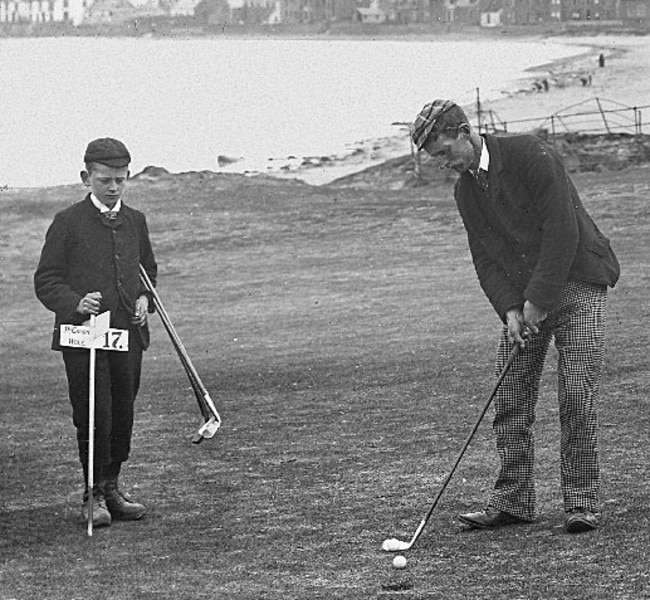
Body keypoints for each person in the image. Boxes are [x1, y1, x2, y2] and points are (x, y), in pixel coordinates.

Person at [411, 100, 620, 534]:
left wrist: (537, 302)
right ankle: (514, 500)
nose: (445, 164)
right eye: (437, 159)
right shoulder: (466, 191)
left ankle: (580, 502)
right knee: (510, 397)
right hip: (526, 297)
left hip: (580, 281)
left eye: (446, 152)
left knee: (576, 393)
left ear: (466, 131)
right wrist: (510, 309)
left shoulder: (531, 155)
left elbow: (562, 231)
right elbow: (485, 258)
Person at [34, 138, 157, 528]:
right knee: (93, 413)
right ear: (86, 177)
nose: (113, 187)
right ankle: (92, 493)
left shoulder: (135, 220)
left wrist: (143, 300)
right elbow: (46, 280)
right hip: (83, 337)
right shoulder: (67, 222)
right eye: (104, 180)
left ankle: (112, 487)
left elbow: (147, 273)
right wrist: (75, 303)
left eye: (120, 180)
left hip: (126, 335)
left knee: (122, 413)